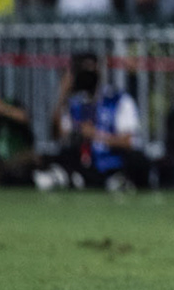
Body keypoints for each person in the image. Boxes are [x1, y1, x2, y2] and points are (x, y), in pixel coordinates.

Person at [39, 52, 150, 191]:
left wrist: (95, 135)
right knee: (60, 156)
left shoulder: (117, 100)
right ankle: (72, 178)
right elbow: (57, 135)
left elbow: (129, 141)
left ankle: (114, 180)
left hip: (112, 162)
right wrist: (62, 94)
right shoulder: (73, 103)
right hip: (84, 162)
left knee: (137, 160)